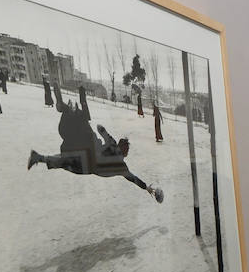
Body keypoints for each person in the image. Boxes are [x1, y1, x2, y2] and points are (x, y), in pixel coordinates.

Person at [28, 84, 163, 202]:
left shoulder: (113, 146)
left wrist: (105, 135)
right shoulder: (121, 167)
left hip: (88, 153)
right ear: (125, 152)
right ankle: (69, 114)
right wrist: (146, 188)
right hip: (87, 165)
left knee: (68, 153)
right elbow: (134, 179)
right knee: (66, 160)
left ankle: (69, 112)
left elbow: (100, 129)